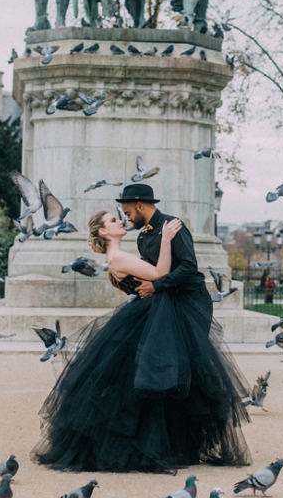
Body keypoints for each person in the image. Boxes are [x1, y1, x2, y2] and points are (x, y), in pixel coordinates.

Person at [33, 183, 251, 474]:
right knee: (160, 374)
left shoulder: (172, 226)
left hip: (187, 305)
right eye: (116, 217)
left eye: (125, 211)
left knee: (176, 373)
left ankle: (174, 442)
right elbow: (146, 277)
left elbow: (187, 268)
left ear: (138, 204)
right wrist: (139, 285)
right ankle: (166, 444)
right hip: (161, 310)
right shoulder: (142, 238)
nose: (124, 218)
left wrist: (154, 285)